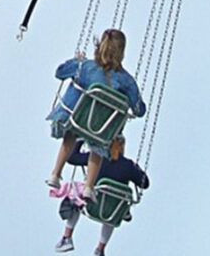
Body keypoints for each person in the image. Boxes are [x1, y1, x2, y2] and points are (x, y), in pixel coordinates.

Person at [46, 29, 147, 200]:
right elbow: (139, 110)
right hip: (102, 127)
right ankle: (89, 187)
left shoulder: (85, 67)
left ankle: (55, 174)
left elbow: (60, 72)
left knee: (71, 135)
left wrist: (76, 61)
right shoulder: (126, 81)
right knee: (99, 145)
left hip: (78, 119)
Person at [54, 137, 149, 255]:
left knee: (75, 195)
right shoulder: (128, 165)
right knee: (114, 209)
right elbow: (145, 183)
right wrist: (136, 168)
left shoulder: (97, 157)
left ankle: (67, 237)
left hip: (92, 203)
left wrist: (81, 139)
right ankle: (100, 249)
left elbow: (72, 158)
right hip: (112, 211)